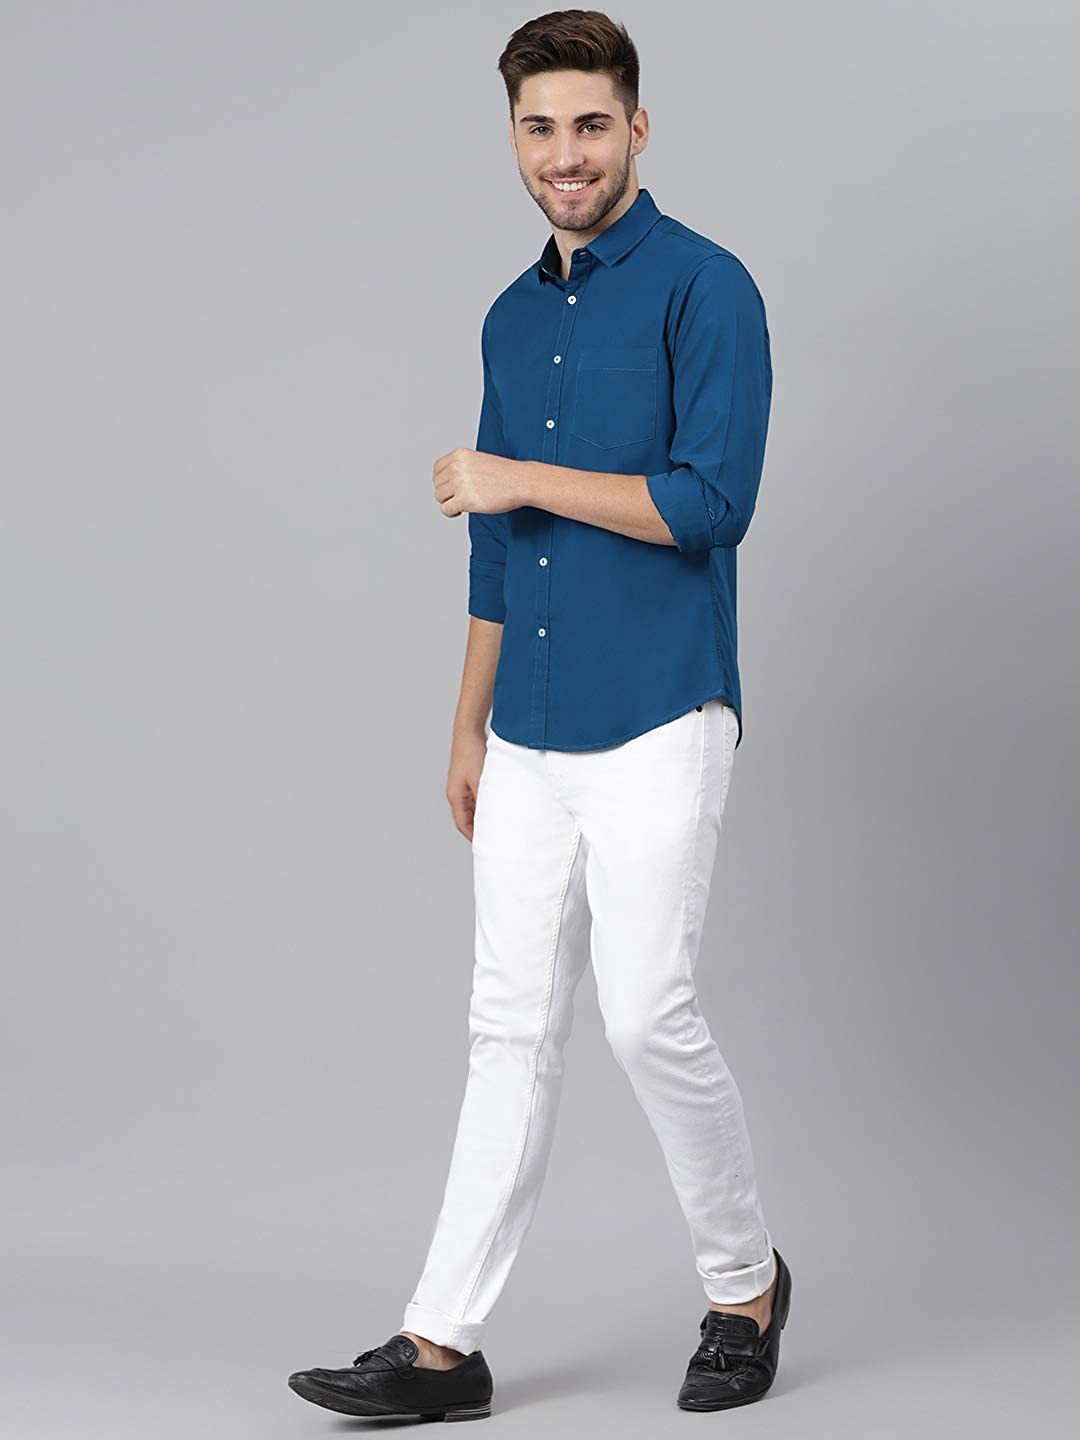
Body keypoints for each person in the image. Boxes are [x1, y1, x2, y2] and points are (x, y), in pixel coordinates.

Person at [288, 9, 790, 1422]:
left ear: (638, 128)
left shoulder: (709, 288)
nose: (565, 154)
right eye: (538, 128)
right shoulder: (512, 317)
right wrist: (469, 724)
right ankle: (441, 1347)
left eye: (589, 125)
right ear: (513, 138)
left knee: (644, 1014)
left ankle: (745, 1283)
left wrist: (514, 475)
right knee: (505, 1029)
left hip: (662, 709)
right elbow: (496, 556)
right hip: (527, 727)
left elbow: (713, 503)